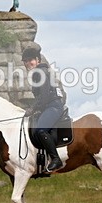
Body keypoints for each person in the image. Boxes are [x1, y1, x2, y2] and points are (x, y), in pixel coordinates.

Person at [22, 45, 67, 173]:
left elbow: (45, 96)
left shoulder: (39, 72)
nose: (28, 63)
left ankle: (55, 159)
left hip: (53, 105)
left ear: (38, 60)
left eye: (31, 60)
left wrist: (32, 109)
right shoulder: (42, 71)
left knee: (40, 130)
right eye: (26, 61)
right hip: (50, 105)